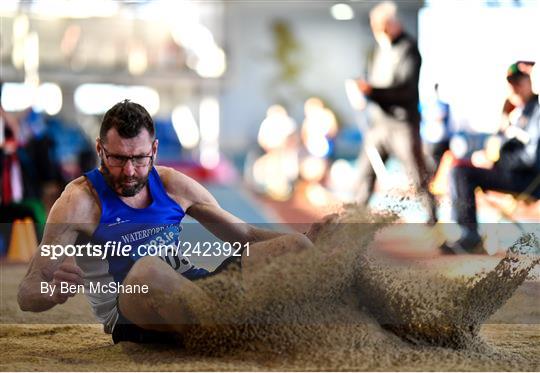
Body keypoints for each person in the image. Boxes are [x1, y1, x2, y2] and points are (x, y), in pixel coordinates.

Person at [17, 100, 316, 344]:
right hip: (133, 311)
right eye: (118, 159)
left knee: (294, 246)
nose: (130, 171)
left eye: (140, 158)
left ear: (155, 151)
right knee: (147, 269)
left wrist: (311, 242)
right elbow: (28, 292)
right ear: (99, 150)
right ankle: (239, 327)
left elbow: (246, 235)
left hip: (203, 291)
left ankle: (240, 323)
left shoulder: (173, 184)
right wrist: (52, 293)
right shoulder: (78, 203)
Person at [442, 61, 540, 254]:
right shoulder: (514, 113)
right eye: (511, 84)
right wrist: (488, 156)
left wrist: (496, 160)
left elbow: (532, 158)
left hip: (528, 180)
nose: (515, 88)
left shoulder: (536, 111)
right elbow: (498, 144)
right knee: (458, 169)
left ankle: (469, 237)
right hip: (510, 173)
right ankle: (464, 233)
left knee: (461, 173)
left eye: (520, 82)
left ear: (530, 82)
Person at [354, 1, 437, 224]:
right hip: (379, 125)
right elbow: (370, 82)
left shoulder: (409, 49)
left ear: (391, 24)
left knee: (417, 176)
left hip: (402, 126)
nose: (377, 33)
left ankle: (433, 222)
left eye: (380, 27)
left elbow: (405, 91)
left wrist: (372, 91)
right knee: (364, 176)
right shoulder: (378, 50)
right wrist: (362, 92)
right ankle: (349, 223)